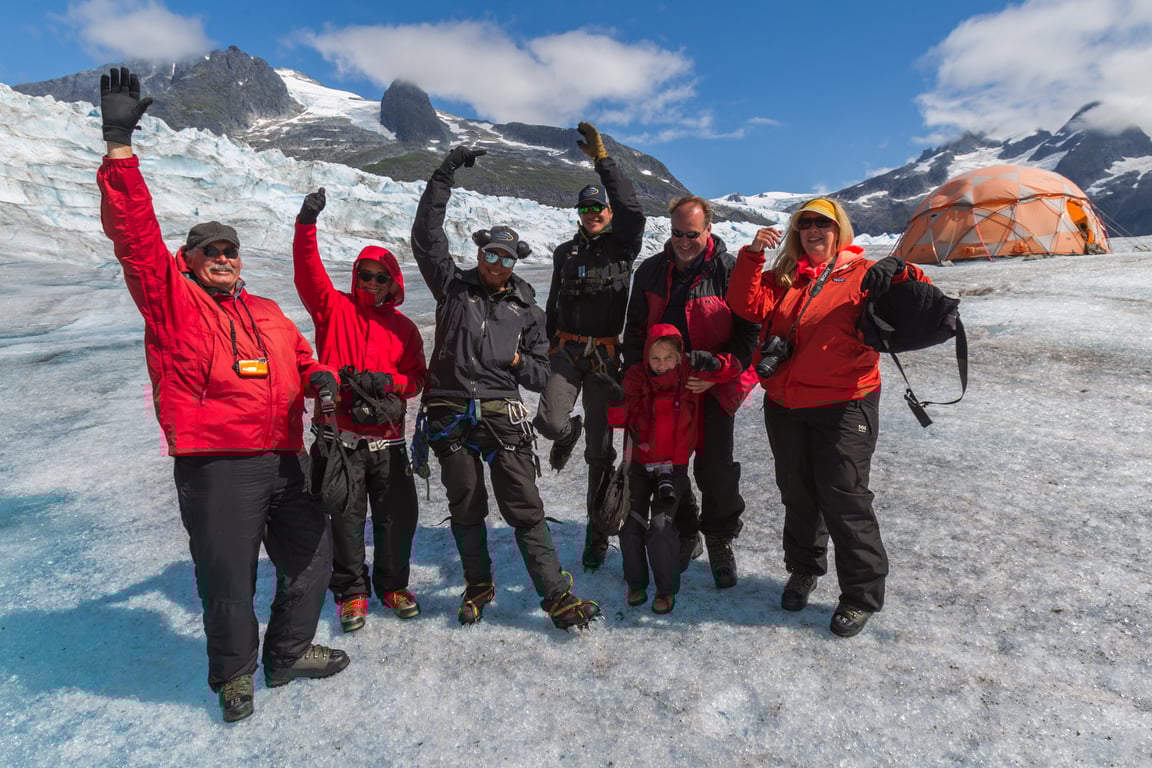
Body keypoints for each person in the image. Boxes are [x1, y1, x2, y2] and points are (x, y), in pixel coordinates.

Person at [95, 68, 349, 722]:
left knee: (315, 560)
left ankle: (287, 653)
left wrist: (318, 375)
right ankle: (234, 676)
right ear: (191, 258)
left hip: (285, 458)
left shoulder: (265, 309)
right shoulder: (173, 303)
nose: (223, 256)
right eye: (210, 248)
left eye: (231, 248)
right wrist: (119, 144)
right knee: (228, 580)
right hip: (217, 463)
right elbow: (137, 241)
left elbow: (299, 353)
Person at [409, 145, 600, 630]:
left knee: (524, 506)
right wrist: (445, 172)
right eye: (490, 253)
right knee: (466, 504)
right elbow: (426, 236)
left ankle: (555, 595)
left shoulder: (527, 311)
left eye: (506, 256)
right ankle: (479, 584)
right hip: (450, 410)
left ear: (516, 261)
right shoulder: (453, 287)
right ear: (480, 253)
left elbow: (543, 373)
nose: (497, 261)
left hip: (501, 413)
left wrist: (516, 360)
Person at [726, 198, 929, 637]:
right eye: (805, 224)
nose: (814, 230)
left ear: (840, 230)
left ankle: (860, 595)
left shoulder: (862, 273)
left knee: (845, 497)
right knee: (798, 493)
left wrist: (902, 270)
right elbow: (745, 304)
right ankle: (803, 569)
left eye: (823, 223)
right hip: (785, 404)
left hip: (845, 403)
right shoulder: (785, 278)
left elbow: (916, 299)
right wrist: (752, 256)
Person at [292, 187, 427, 633]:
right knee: (345, 521)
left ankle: (392, 585)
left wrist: (390, 383)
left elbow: (418, 378)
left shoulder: (405, 329)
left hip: (388, 441)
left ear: (393, 282)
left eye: (379, 277)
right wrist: (306, 225)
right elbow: (308, 274)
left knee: (396, 518)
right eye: (364, 275)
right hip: (340, 441)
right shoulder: (334, 309)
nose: (370, 283)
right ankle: (352, 593)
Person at [622, 196, 760, 589]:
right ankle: (687, 531)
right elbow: (634, 332)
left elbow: (749, 334)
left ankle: (718, 538)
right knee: (668, 463)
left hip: (712, 386)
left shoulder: (730, 270)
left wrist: (719, 371)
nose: (683, 241)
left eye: (692, 234)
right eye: (677, 233)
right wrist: (637, 380)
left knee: (715, 469)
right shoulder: (650, 271)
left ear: (709, 230)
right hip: (662, 388)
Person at [531, 121, 646, 571]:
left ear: (608, 212)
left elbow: (632, 208)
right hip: (565, 353)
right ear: (578, 213)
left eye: (599, 207)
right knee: (548, 421)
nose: (593, 212)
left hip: (603, 360)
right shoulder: (565, 253)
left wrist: (603, 161)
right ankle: (568, 431)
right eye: (586, 208)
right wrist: (542, 346)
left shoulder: (623, 245)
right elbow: (553, 301)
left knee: (601, 454)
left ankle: (597, 533)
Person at [615, 325, 739, 614]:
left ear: (679, 356)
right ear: (646, 356)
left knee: (661, 526)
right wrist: (614, 399)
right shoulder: (636, 377)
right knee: (631, 523)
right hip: (638, 464)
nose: (661, 365)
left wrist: (714, 365)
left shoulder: (690, 376)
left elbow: (735, 368)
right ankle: (636, 582)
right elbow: (620, 417)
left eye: (668, 358)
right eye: (655, 358)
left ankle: (665, 589)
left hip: (674, 466)